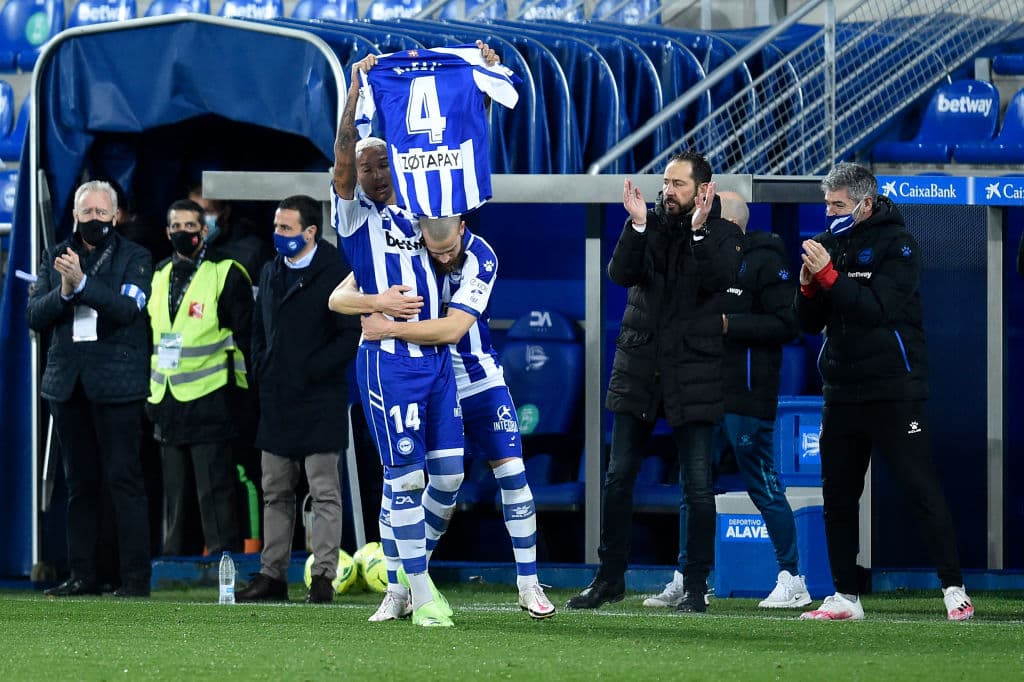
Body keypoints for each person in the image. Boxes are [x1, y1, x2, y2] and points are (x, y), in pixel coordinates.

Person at [325, 45, 502, 627]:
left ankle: (401, 575)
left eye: (384, 163)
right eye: (368, 167)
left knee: (447, 476)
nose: (375, 174)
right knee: (405, 476)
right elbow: (342, 161)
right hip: (387, 361)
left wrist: (477, 81)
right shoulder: (356, 217)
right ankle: (417, 591)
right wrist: (355, 93)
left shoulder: (424, 207)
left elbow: (460, 148)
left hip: (436, 362)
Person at [333, 215, 557, 619]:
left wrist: (388, 329)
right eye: (435, 252)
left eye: (448, 250)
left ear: (461, 228)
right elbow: (340, 297)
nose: (442, 258)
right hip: (426, 378)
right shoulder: (404, 246)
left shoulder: (481, 256)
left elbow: (454, 329)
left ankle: (528, 584)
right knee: (408, 478)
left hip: (480, 378)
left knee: (512, 473)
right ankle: (402, 588)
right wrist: (377, 303)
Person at [795, 162, 974, 622]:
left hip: (894, 388)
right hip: (841, 389)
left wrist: (829, 277)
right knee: (838, 495)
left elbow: (876, 309)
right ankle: (845, 596)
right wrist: (807, 289)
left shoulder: (900, 246)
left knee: (920, 486)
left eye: (838, 205)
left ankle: (953, 588)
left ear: (865, 204)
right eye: (827, 204)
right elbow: (808, 323)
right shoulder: (829, 243)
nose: (830, 213)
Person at [566, 151, 743, 614]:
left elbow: (719, 279)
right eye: (666, 182)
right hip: (640, 368)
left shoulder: (723, 233)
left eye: (678, 184)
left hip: (693, 372)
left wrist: (699, 232)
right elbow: (619, 274)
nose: (668, 191)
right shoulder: (647, 225)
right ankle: (609, 578)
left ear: (703, 190)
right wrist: (637, 226)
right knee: (618, 478)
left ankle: (696, 586)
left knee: (697, 486)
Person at [642, 191, 808, 610]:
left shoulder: (766, 261)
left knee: (761, 483)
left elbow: (788, 324)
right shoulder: (701, 260)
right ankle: (688, 577)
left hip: (746, 394)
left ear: (730, 224)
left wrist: (728, 324)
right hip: (701, 391)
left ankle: (792, 577)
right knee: (692, 486)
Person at [27, 180, 153, 597]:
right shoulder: (55, 256)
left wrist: (82, 285)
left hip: (118, 385)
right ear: (75, 215)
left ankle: (133, 579)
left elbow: (128, 309)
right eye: (87, 212)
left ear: (115, 216)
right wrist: (64, 293)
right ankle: (82, 574)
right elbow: (34, 315)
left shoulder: (136, 257)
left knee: (124, 482)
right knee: (79, 484)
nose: (94, 219)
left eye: (101, 212)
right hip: (67, 385)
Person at [234, 195, 359, 604]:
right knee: (275, 491)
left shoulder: (337, 272)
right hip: (277, 399)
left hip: (319, 399)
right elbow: (257, 327)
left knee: (324, 492)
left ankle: (323, 577)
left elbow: (349, 337)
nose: (278, 234)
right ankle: (271, 576)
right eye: (276, 226)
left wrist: (309, 371)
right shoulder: (271, 270)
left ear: (310, 232)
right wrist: (262, 367)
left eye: (285, 228)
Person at [147, 199, 252, 557]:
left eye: (190, 226)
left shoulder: (226, 272)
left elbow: (246, 339)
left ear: (204, 230)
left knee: (215, 490)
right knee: (175, 495)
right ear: (167, 232)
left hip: (212, 399)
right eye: (176, 227)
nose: (183, 233)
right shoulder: (158, 275)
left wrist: (242, 398)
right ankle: (174, 566)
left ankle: (224, 563)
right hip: (167, 398)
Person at [188, 183, 273, 284]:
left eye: (206, 212)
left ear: (225, 213)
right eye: (193, 213)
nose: (198, 220)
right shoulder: (186, 248)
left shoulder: (254, 251)